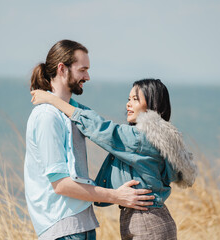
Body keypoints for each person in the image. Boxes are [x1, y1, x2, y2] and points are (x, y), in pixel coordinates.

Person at [30, 78, 198, 239]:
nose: (128, 103)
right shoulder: (157, 137)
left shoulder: (139, 138)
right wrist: (63, 102)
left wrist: (52, 100)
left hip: (146, 220)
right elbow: (94, 120)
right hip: (153, 218)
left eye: (135, 99)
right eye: (129, 98)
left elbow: (99, 128)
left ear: (151, 106)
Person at [24, 40, 155, 240]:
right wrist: (117, 196)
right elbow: (61, 185)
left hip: (82, 226)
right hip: (63, 229)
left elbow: (103, 129)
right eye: (82, 70)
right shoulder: (47, 116)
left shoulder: (74, 112)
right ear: (62, 68)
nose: (87, 76)